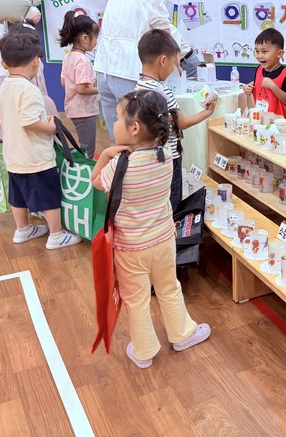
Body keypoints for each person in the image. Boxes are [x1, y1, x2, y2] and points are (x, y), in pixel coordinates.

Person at [91, 90, 210, 369]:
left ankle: (143, 351)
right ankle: (182, 334)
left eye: (117, 117)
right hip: (164, 240)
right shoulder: (165, 154)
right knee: (169, 287)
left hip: (131, 249)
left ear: (134, 128)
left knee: (136, 299)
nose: (114, 122)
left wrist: (106, 154)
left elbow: (95, 181)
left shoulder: (119, 166)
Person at [0, 29, 81, 249]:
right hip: (35, 157)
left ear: (4, 63)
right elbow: (30, 122)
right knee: (49, 196)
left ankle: (22, 230)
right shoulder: (30, 90)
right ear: (36, 62)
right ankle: (56, 235)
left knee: (18, 196)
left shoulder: (5, 86)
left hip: (14, 156)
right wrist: (51, 127)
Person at [94, 0, 197, 141]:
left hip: (103, 70)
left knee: (116, 133)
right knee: (137, 134)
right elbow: (166, 39)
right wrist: (176, 63)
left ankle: (118, 159)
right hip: (127, 71)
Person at [135, 29, 216, 210]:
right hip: (169, 157)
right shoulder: (162, 91)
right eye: (174, 64)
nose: (175, 69)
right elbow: (182, 123)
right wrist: (207, 113)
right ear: (163, 61)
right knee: (172, 202)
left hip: (149, 157)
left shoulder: (138, 87)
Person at [59, 11, 99, 157]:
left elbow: (64, 82)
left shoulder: (68, 57)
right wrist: (100, 89)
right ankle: (84, 168)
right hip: (84, 111)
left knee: (83, 143)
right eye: (96, 37)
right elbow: (81, 89)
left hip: (74, 109)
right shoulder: (83, 61)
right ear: (85, 38)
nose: (96, 41)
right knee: (88, 148)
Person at [243, 28, 286, 118]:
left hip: (278, 123)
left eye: (264, 51)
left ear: (279, 54)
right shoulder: (259, 69)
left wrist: (272, 86)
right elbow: (256, 86)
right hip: (259, 120)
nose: (259, 56)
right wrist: (248, 88)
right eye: (257, 51)